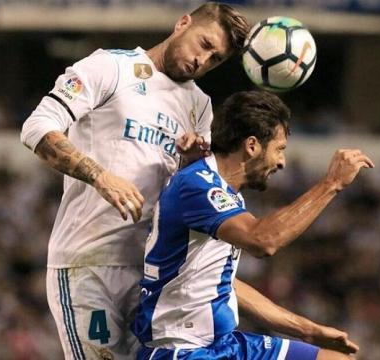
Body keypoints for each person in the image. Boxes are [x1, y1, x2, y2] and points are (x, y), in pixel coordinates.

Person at [20, 3, 249, 359]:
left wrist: (192, 162)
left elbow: (192, 192)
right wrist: (100, 176)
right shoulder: (111, 66)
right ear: (182, 23)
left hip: (154, 276)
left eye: (215, 59)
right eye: (203, 44)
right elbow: (36, 128)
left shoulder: (200, 107)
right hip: (89, 263)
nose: (202, 60)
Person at [132, 90, 374, 359]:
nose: (281, 162)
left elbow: (223, 283)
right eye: (279, 149)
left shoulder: (223, 192)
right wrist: (332, 184)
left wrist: (306, 329)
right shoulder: (198, 185)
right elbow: (263, 241)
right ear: (251, 145)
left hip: (225, 345)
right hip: (183, 349)